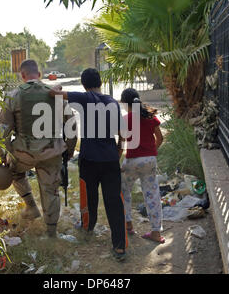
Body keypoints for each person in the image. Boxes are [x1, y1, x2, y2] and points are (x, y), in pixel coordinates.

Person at [0, 59, 77, 237]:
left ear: (22, 76)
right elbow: (71, 125)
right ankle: (51, 232)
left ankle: (31, 206)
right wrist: (69, 150)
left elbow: (3, 130)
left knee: (13, 172)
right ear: (39, 74)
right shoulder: (55, 94)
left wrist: (2, 155)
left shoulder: (13, 95)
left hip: (24, 152)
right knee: (50, 190)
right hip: (52, 151)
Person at [49, 68, 127, 261]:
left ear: (84, 85)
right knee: (114, 201)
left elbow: (54, 94)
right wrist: (119, 150)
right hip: (110, 159)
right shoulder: (113, 102)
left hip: (90, 159)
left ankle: (87, 228)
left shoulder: (85, 98)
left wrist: (57, 85)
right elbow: (122, 133)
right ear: (100, 82)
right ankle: (119, 247)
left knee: (89, 196)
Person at [119, 88, 165, 243]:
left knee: (124, 191)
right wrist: (151, 152)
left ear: (125, 103)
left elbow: (121, 144)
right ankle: (156, 233)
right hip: (149, 161)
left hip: (131, 161)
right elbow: (160, 137)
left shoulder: (125, 120)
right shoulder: (149, 116)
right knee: (152, 195)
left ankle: (128, 225)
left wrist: (117, 162)